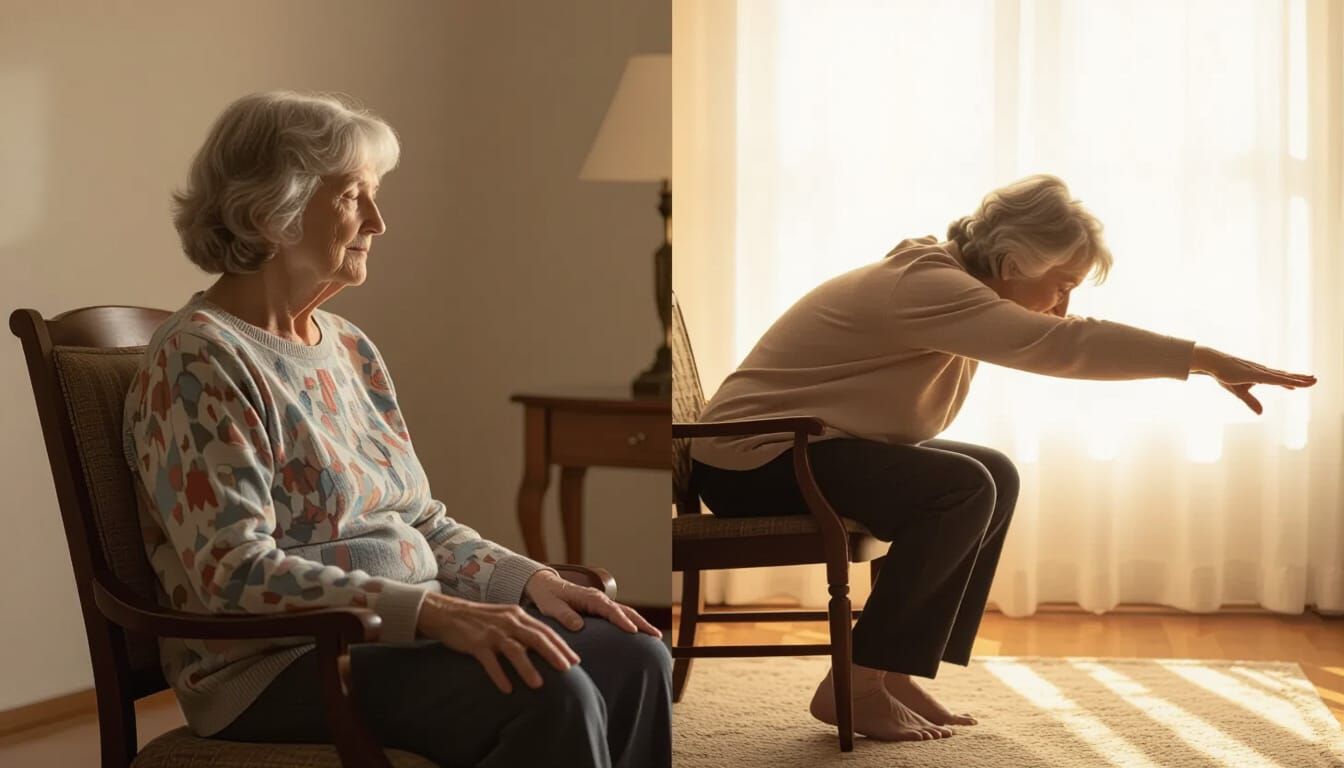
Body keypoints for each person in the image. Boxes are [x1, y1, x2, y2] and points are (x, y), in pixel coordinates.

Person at [122, 90, 670, 768]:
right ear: (270, 210)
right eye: (354, 196)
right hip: (281, 665)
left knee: (634, 656)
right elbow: (232, 573)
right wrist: (433, 613)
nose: (378, 222)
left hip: (399, 636)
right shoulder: (199, 358)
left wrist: (527, 581)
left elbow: (420, 521)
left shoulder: (350, 347)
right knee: (548, 690)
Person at [688, 174, 1316, 743]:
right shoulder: (927, 285)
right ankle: (855, 685)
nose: (1062, 305)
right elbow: (1066, 344)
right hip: (754, 460)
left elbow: (1063, 334)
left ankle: (892, 670)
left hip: (800, 447)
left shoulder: (944, 280)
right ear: (1015, 262)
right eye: (1061, 285)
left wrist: (1196, 360)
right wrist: (1204, 359)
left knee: (994, 474)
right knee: (961, 487)